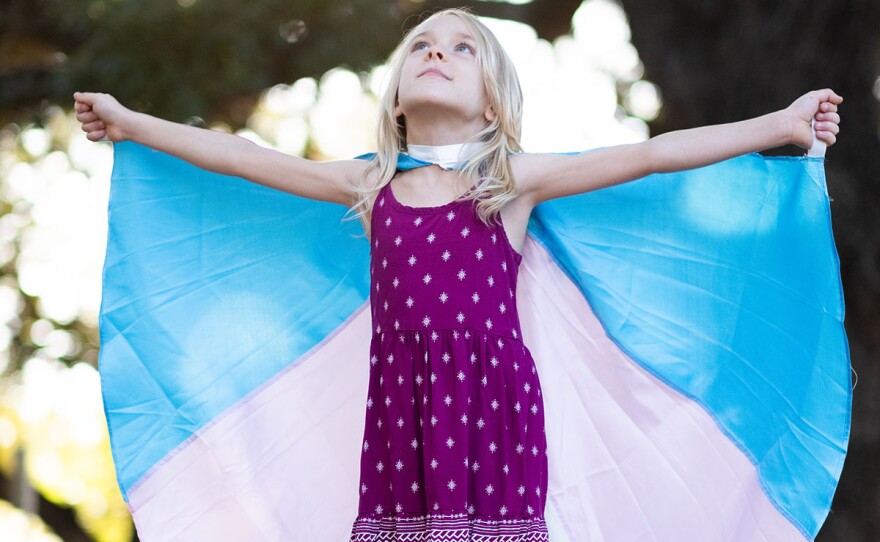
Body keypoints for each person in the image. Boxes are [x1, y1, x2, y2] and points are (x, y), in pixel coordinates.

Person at [73, 8, 843, 541]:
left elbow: (649, 155)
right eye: (421, 45)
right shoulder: (370, 187)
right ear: (399, 99)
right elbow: (245, 158)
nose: (436, 52)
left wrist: (780, 125)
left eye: (461, 48)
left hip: (491, 412)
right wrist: (131, 123)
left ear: (490, 109)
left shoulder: (509, 182)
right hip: (401, 414)